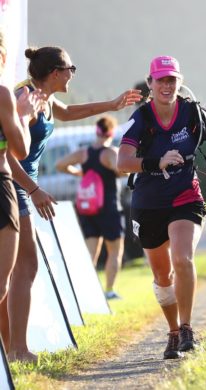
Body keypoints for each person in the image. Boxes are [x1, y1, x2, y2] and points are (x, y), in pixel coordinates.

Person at [2, 46, 141, 362]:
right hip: (15, 184)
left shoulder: (44, 99)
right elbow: (6, 153)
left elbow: (69, 113)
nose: (72, 75)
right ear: (55, 72)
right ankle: (17, 350)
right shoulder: (24, 97)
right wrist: (35, 189)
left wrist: (112, 103)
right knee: (24, 267)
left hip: (21, 185)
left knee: (17, 269)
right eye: (70, 69)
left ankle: (12, 347)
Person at [117, 55, 206, 359]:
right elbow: (122, 163)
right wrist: (156, 161)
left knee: (182, 259)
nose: (167, 85)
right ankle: (172, 332)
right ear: (150, 84)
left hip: (185, 197)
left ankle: (186, 329)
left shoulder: (193, 113)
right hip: (148, 204)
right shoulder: (141, 118)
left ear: (179, 82)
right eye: (161, 80)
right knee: (162, 276)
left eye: (172, 80)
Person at [0, 31, 42, 348]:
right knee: (3, 282)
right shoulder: (3, 94)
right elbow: (21, 150)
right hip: (2, 188)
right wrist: (24, 117)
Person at [56, 115, 125, 300]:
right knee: (115, 251)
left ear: (96, 131)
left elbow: (60, 164)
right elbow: (121, 170)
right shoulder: (110, 153)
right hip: (109, 207)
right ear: (111, 132)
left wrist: (79, 172)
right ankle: (109, 291)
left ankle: (85, 293)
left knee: (90, 253)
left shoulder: (83, 153)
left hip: (88, 209)